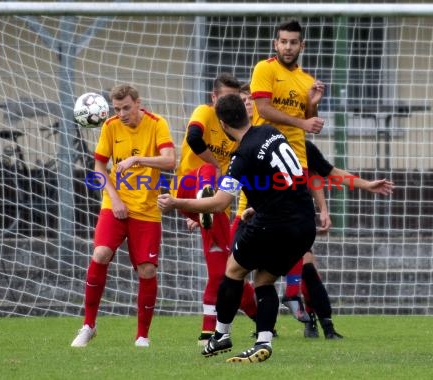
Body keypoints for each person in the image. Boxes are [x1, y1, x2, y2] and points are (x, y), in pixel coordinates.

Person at [158, 93, 316, 363]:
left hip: (275, 225)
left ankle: (221, 334)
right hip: (304, 223)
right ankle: (263, 340)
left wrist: (175, 202)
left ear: (222, 124)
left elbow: (219, 203)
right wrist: (260, 203)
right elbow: (283, 174)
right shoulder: (270, 131)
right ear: (247, 114)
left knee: (232, 270)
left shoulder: (241, 156)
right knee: (264, 279)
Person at [70, 84, 176, 348]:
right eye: (117, 109)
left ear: (138, 103)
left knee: (147, 269)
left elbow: (170, 161)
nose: (122, 113)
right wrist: (114, 198)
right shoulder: (110, 126)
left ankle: (142, 336)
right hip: (114, 205)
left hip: (146, 209)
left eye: (126, 107)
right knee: (100, 254)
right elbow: (98, 166)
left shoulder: (156, 124)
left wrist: (138, 161)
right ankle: (88, 325)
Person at [249, 19, 326, 326]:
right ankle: (268, 292)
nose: (289, 47)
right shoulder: (264, 69)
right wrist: (303, 123)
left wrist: (313, 107)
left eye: (294, 42)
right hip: (265, 155)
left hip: (296, 160)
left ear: (301, 46)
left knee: (298, 229)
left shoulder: (307, 80)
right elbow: (264, 110)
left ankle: (292, 293)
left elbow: (310, 122)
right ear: (275, 44)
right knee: (261, 224)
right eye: (284, 41)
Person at [173, 73, 256, 344]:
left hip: (216, 207)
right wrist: (216, 165)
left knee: (226, 267)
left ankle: (258, 314)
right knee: (207, 169)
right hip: (187, 189)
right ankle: (210, 328)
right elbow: (195, 138)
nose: (229, 104)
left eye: (234, 99)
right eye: (225, 98)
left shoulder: (239, 129)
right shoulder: (205, 113)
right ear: (213, 98)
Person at [299, 139, 394, 338]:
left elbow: (323, 173)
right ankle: (262, 326)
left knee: (306, 267)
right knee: (249, 275)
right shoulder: (257, 141)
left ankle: (323, 324)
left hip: (294, 218)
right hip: (261, 216)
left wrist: (366, 185)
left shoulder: (302, 144)